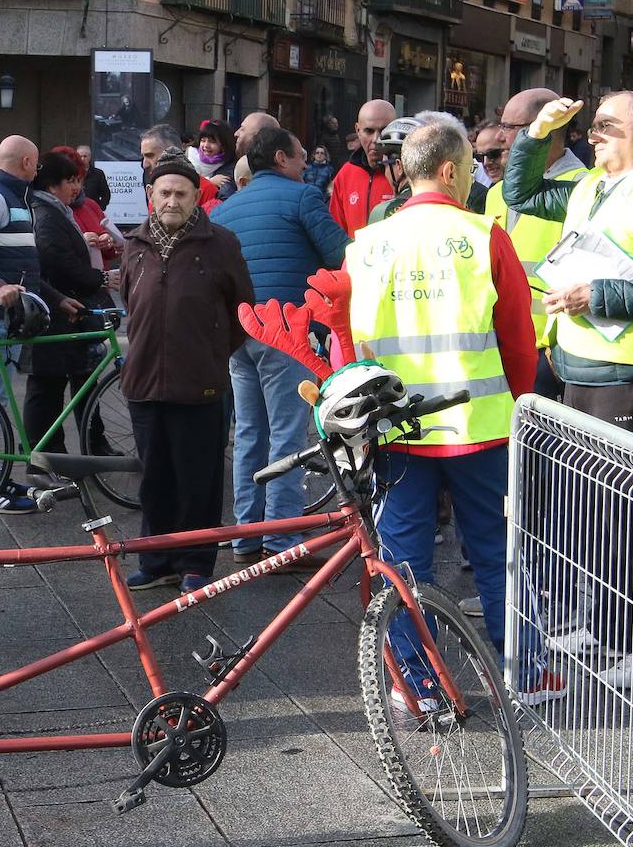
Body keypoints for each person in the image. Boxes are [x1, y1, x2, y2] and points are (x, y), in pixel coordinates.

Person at [344, 118, 563, 706]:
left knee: (406, 562)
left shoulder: (367, 245)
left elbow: (353, 341)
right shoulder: (484, 235)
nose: (471, 178)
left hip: (396, 430)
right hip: (479, 427)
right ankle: (529, 674)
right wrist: (516, 403)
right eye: (468, 168)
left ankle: (422, 685)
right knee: (498, 554)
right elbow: (519, 339)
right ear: (448, 170)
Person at [504, 90, 633, 690]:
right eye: (589, 128)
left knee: (628, 520)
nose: (591, 137)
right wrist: (537, 133)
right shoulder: (592, 184)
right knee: (592, 512)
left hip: (629, 374)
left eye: (604, 127)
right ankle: (608, 625)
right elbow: (519, 193)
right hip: (580, 364)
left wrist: (595, 296)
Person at [210, 127, 346, 567]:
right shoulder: (303, 197)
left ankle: (246, 533)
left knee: (250, 431)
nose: (306, 162)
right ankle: (281, 539)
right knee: (288, 432)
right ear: (283, 158)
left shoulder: (227, 208)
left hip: (241, 330)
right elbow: (341, 256)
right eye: (301, 154)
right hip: (288, 328)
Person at [120, 148, 254, 593]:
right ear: (149, 196)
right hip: (144, 382)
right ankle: (155, 560)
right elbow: (130, 302)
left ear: (197, 197)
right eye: (164, 193)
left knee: (199, 479)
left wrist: (212, 351)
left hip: (199, 383)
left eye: (181, 193)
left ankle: (196, 562)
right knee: (154, 478)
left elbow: (243, 311)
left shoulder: (221, 243)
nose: (172, 201)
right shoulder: (135, 245)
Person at [0, 134, 63, 515]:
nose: (37, 172)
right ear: (26, 163)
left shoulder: (9, 197)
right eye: (36, 165)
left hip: (4, 314)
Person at [489, 88, 591, 401]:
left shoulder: (583, 188)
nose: (500, 137)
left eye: (511, 128)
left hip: (548, 351)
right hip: (501, 339)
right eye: (501, 125)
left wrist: (555, 346)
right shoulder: (499, 191)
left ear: (548, 126)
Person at [23, 150, 115, 467]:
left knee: (70, 381)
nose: (76, 186)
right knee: (47, 387)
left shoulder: (56, 210)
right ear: (54, 184)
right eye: (71, 180)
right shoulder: (47, 214)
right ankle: (47, 459)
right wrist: (96, 278)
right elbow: (54, 260)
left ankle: (70, 452)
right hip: (55, 312)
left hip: (66, 310)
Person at [327, 99, 398, 237]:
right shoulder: (345, 174)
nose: (376, 139)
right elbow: (337, 232)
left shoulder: (407, 175)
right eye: (369, 131)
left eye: (384, 131)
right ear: (358, 130)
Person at [140, 125, 218, 206]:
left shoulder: (206, 189)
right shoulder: (154, 186)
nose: (144, 164)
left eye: (150, 156)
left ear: (172, 151)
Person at [192, 118, 238, 199]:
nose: (206, 145)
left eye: (212, 142)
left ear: (223, 145)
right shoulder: (190, 156)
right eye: (203, 140)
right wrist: (209, 181)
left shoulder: (228, 166)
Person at [77, 144, 111, 209]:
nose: (82, 159)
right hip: (76, 210)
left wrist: (100, 208)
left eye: (85, 156)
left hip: (92, 210)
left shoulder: (98, 174)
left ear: (89, 157)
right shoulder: (72, 173)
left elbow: (106, 194)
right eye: (80, 156)